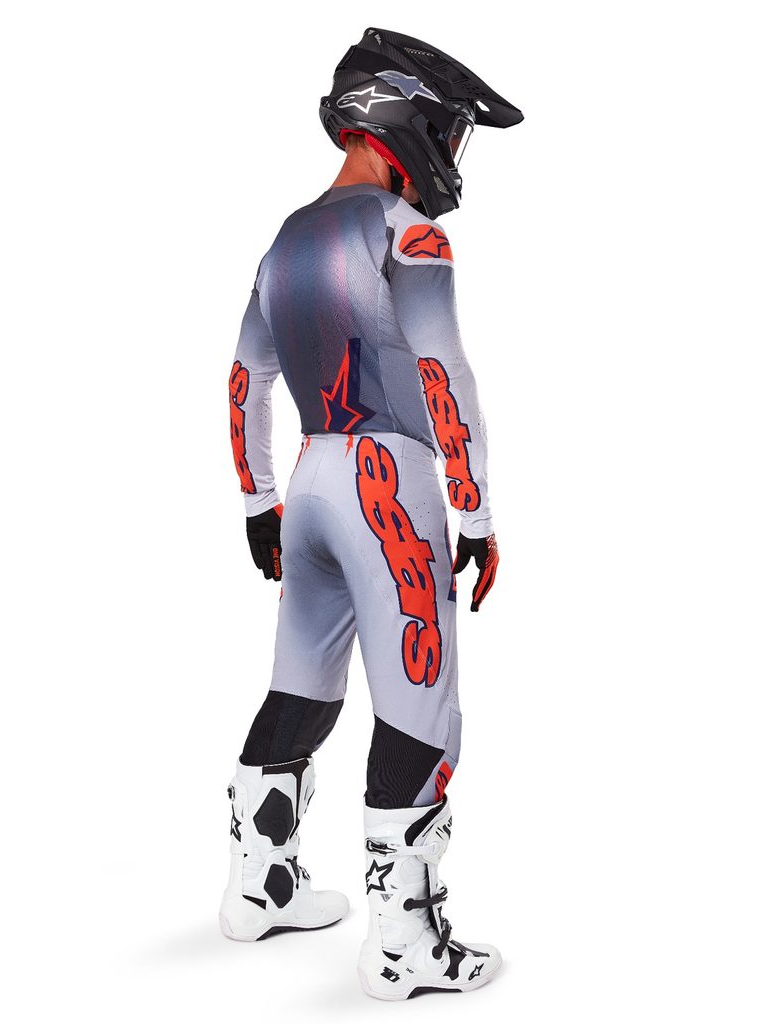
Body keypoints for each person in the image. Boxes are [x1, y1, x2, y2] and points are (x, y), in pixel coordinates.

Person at [220, 26, 523, 1000]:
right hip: (388, 484)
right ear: (408, 117)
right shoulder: (408, 233)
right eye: (452, 130)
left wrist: (259, 502)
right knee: (421, 709)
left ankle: (258, 886)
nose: (454, 151)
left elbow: (244, 379)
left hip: (309, 479)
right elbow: (443, 376)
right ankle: (404, 945)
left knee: (303, 687)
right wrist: (476, 513)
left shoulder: (285, 238)